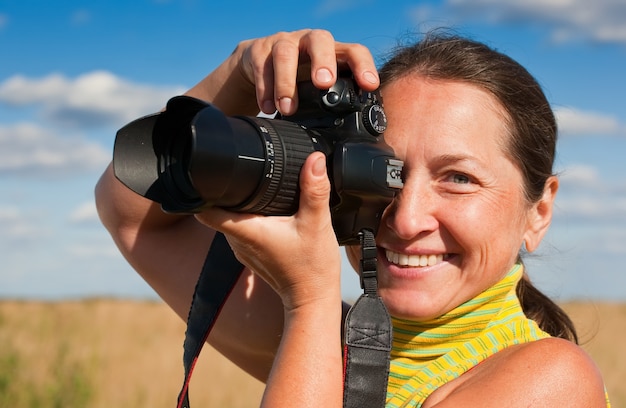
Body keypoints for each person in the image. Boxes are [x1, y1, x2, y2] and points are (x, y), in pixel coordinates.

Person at [95, 29, 610, 407]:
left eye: (458, 178)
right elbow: (135, 212)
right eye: (387, 171)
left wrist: (310, 301)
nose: (406, 220)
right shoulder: (343, 346)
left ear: (538, 213)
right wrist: (238, 72)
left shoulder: (551, 381)